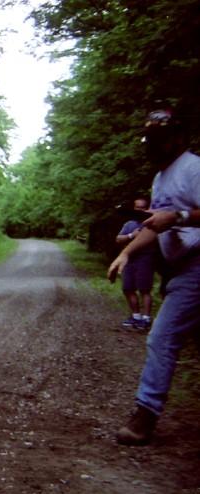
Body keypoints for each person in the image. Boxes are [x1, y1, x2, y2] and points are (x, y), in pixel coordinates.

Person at [107, 107, 200, 445]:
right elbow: (154, 226)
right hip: (177, 268)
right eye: (151, 139)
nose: (154, 145)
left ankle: (145, 414)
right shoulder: (161, 178)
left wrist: (179, 216)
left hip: (196, 264)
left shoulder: (193, 168)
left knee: (162, 337)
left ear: (177, 137)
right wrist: (126, 253)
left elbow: (173, 219)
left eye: (162, 138)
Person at [115, 196, 155, 331]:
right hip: (129, 260)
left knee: (144, 289)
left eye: (143, 208)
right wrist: (132, 235)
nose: (140, 210)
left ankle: (146, 319)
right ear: (134, 208)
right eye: (137, 207)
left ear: (147, 209)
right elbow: (118, 239)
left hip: (145, 259)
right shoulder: (129, 224)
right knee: (127, 288)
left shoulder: (152, 223)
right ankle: (136, 316)